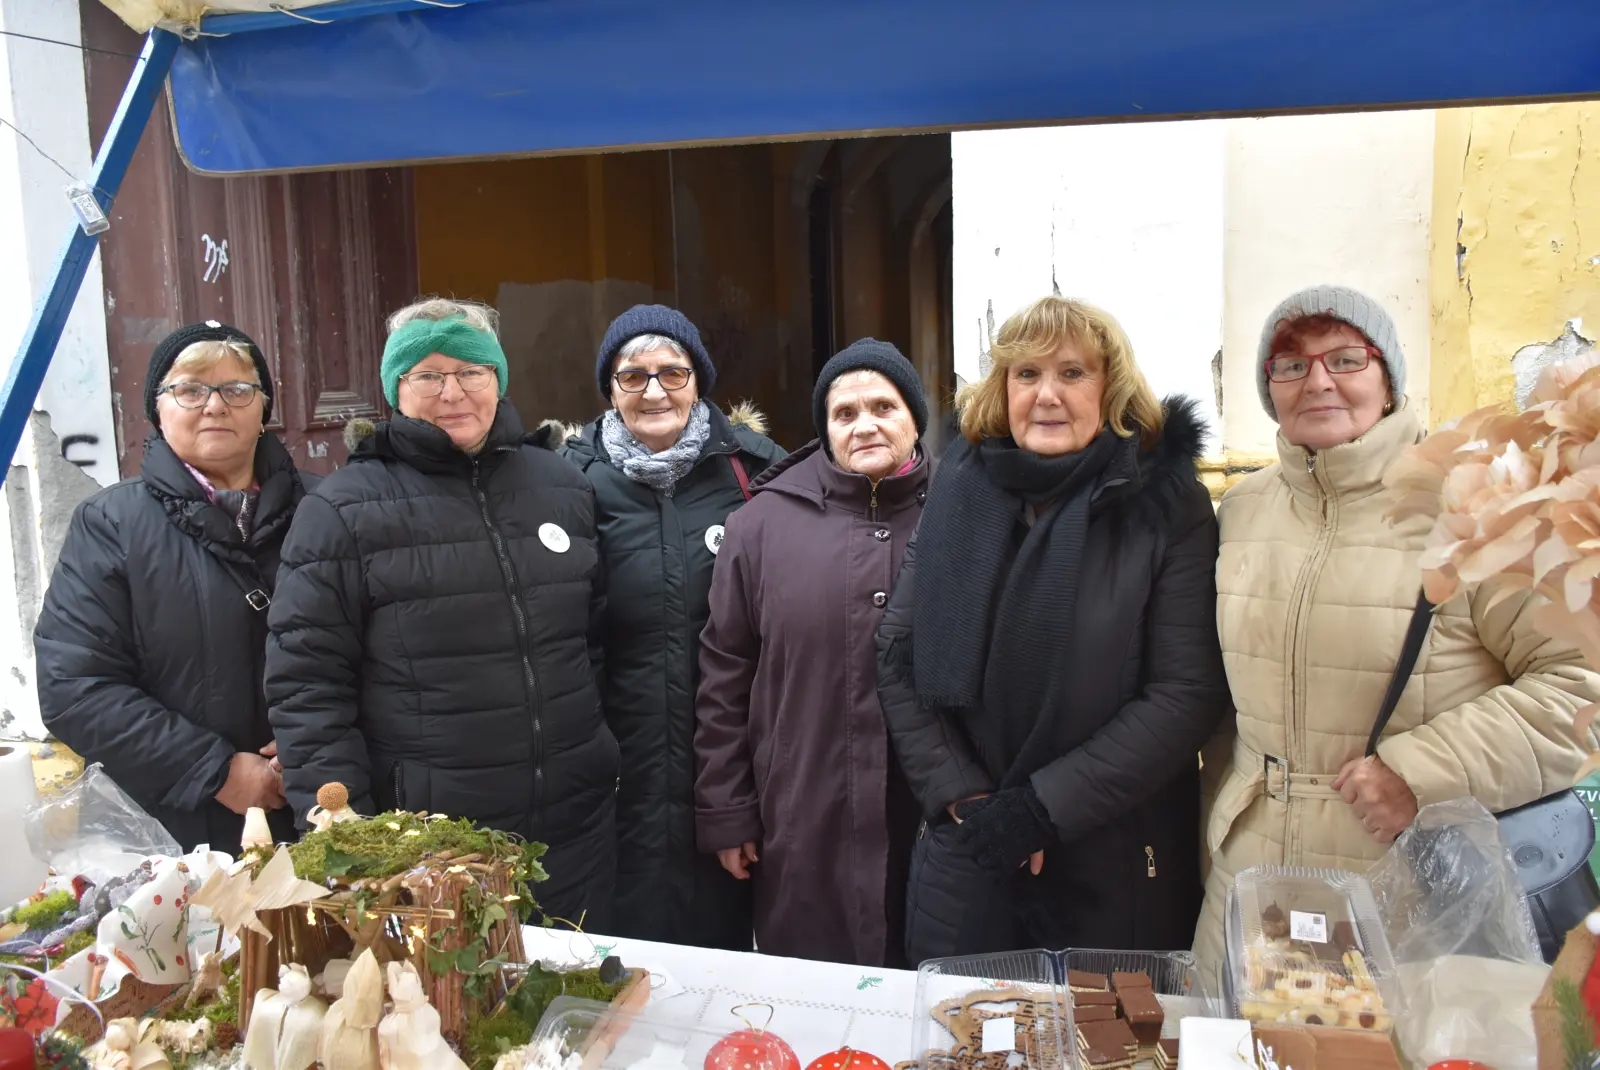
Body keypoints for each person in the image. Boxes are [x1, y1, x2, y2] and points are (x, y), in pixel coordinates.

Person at [1193, 284, 1600, 966]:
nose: (1318, 380)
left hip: (1408, 898)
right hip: (1249, 891)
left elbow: (1577, 684)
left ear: (1388, 381)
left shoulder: (1477, 508)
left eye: (1347, 359)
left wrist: (1421, 772)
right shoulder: (1240, 512)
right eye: (1290, 365)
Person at [875, 295, 1228, 962]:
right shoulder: (961, 485)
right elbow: (898, 654)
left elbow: (1185, 694)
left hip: (1113, 860)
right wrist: (964, 797)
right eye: (1026, 374)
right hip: (972, 848)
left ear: (1111, 387)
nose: (1046, 395)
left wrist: (1043, 808)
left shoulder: (1165, 503)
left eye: (1073, 373)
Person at [267, 297, 616, 927]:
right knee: (452, 1016)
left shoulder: (563, 487)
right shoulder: (343, 508)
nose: (452, 391)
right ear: (396, 389)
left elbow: (590, 642)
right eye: (427, 375)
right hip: (435, 845)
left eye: (472, 372)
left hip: (574, 828)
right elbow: (308, 685)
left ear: (498, 380)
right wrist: (344, 837)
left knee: (574, 1009)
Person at [695, 339, 930, 966]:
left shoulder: (964, 515)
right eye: (844, 413)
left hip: (933, 814)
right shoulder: (760, 526)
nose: (865, 424)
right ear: (824, 431)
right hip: (803, 812)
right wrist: (727, 809)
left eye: (884, 406)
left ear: (915, 419)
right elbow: (725, 674)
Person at [36, 323, 309, 857]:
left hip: (324, 810)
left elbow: (389, 654)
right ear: (159, 411)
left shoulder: (327, 510)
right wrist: (215, 770)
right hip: (183, 835)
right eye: (189, 389)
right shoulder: (112, 523)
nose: (215, 406)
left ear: (262, 409)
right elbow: (74, 685)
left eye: (237, 389)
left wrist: (317, 746)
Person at [561, 305, 785, 949]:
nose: (654, 390)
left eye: (672, 372)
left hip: (734, 762)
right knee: (623, 950)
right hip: (617, 769)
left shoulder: (756, 471)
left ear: (699, 381)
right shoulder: (568, 483)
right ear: (610, 388)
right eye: (633, 376)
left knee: (732, 948)